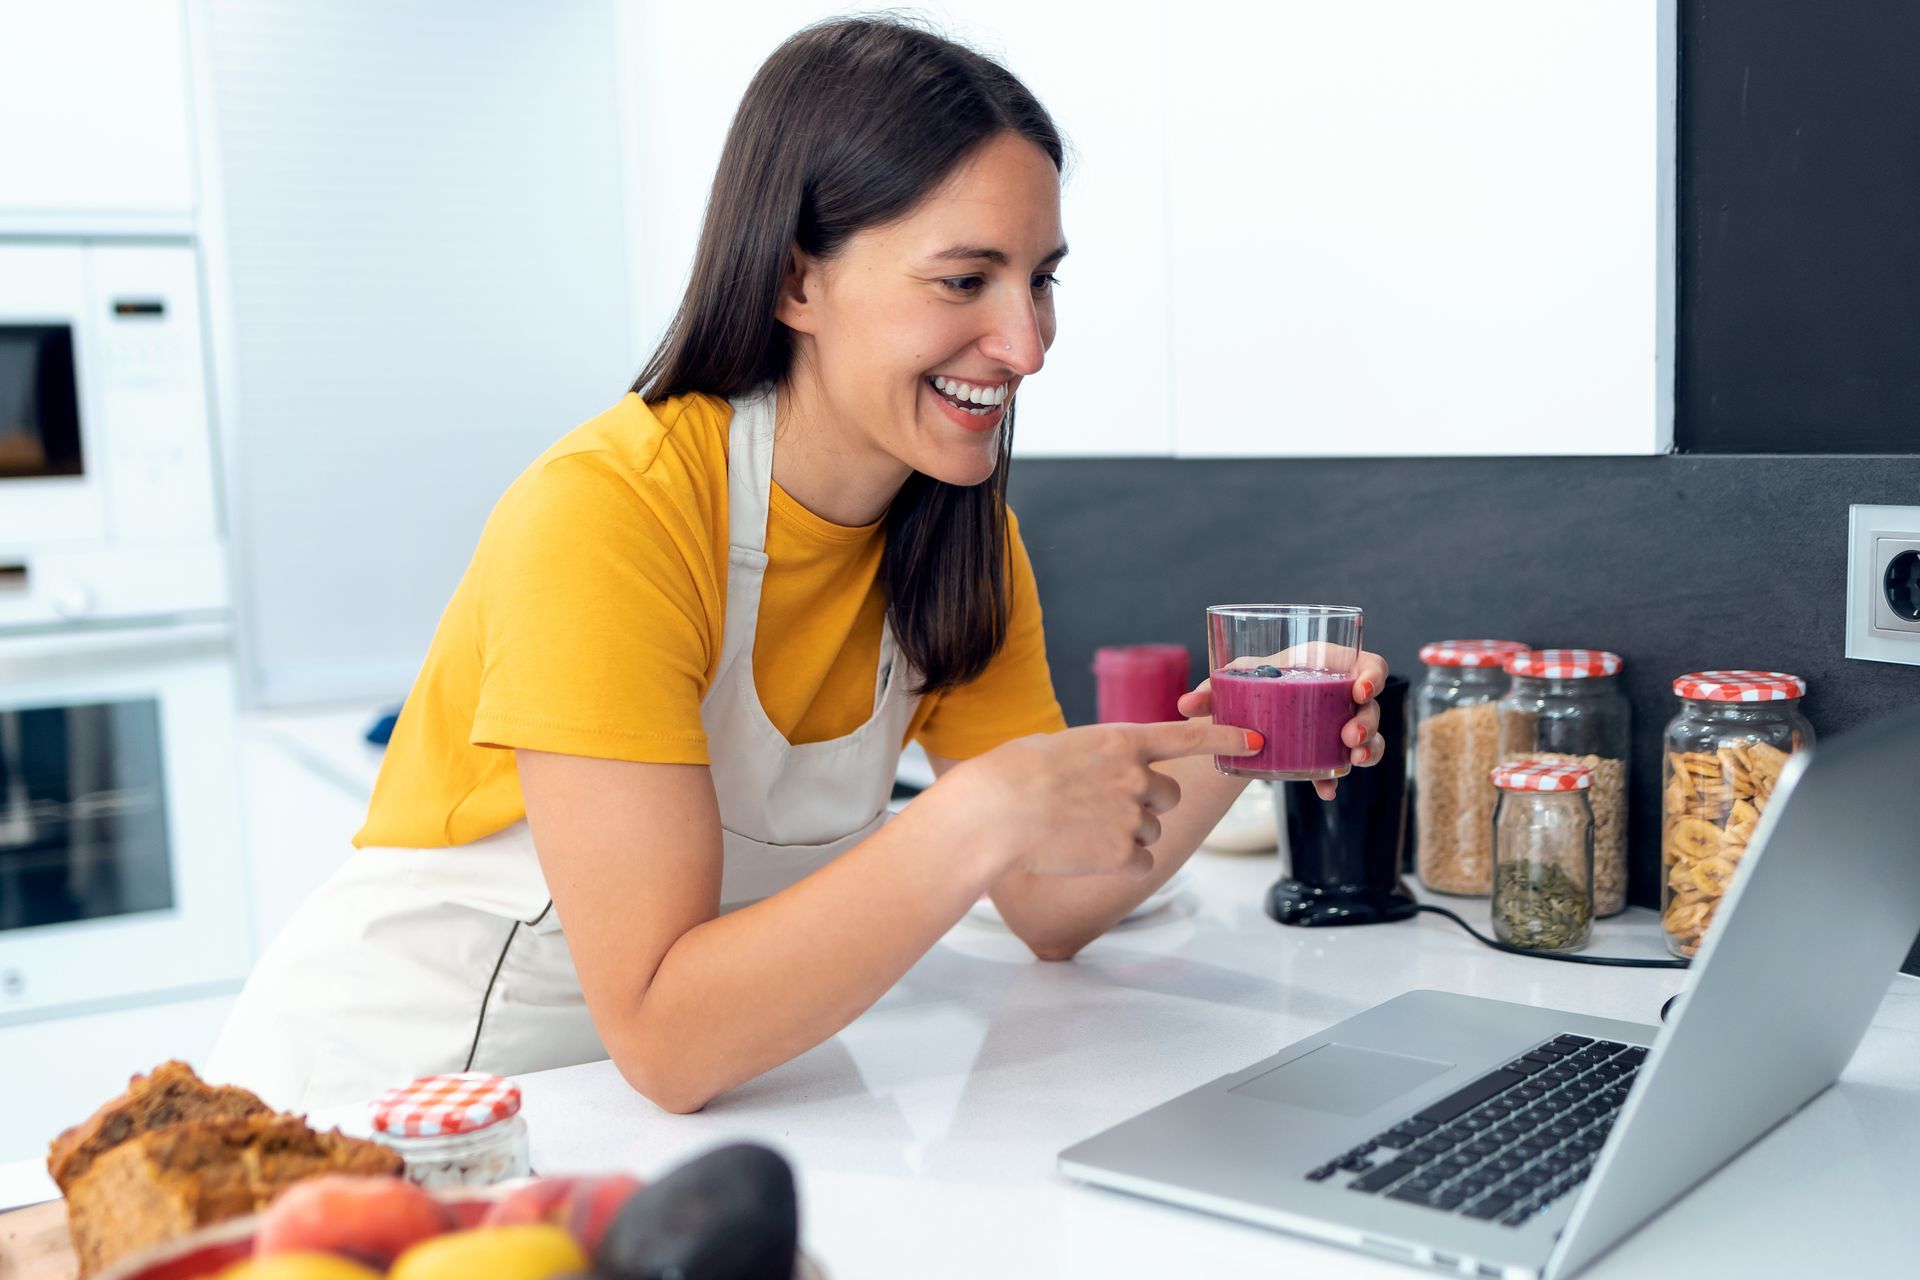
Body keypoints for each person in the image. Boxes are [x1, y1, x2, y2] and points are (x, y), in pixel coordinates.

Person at [208, 15, 1388, 1114]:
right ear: (794, 279)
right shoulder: (609, 515)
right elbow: (667, 1032)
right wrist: (974, 813)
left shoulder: (958, 537)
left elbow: (1049, 901)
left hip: (649, 1118)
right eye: (963, 278)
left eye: (1042, 279)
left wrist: (1252, 733)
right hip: (385, 1100)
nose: (1026, 343)